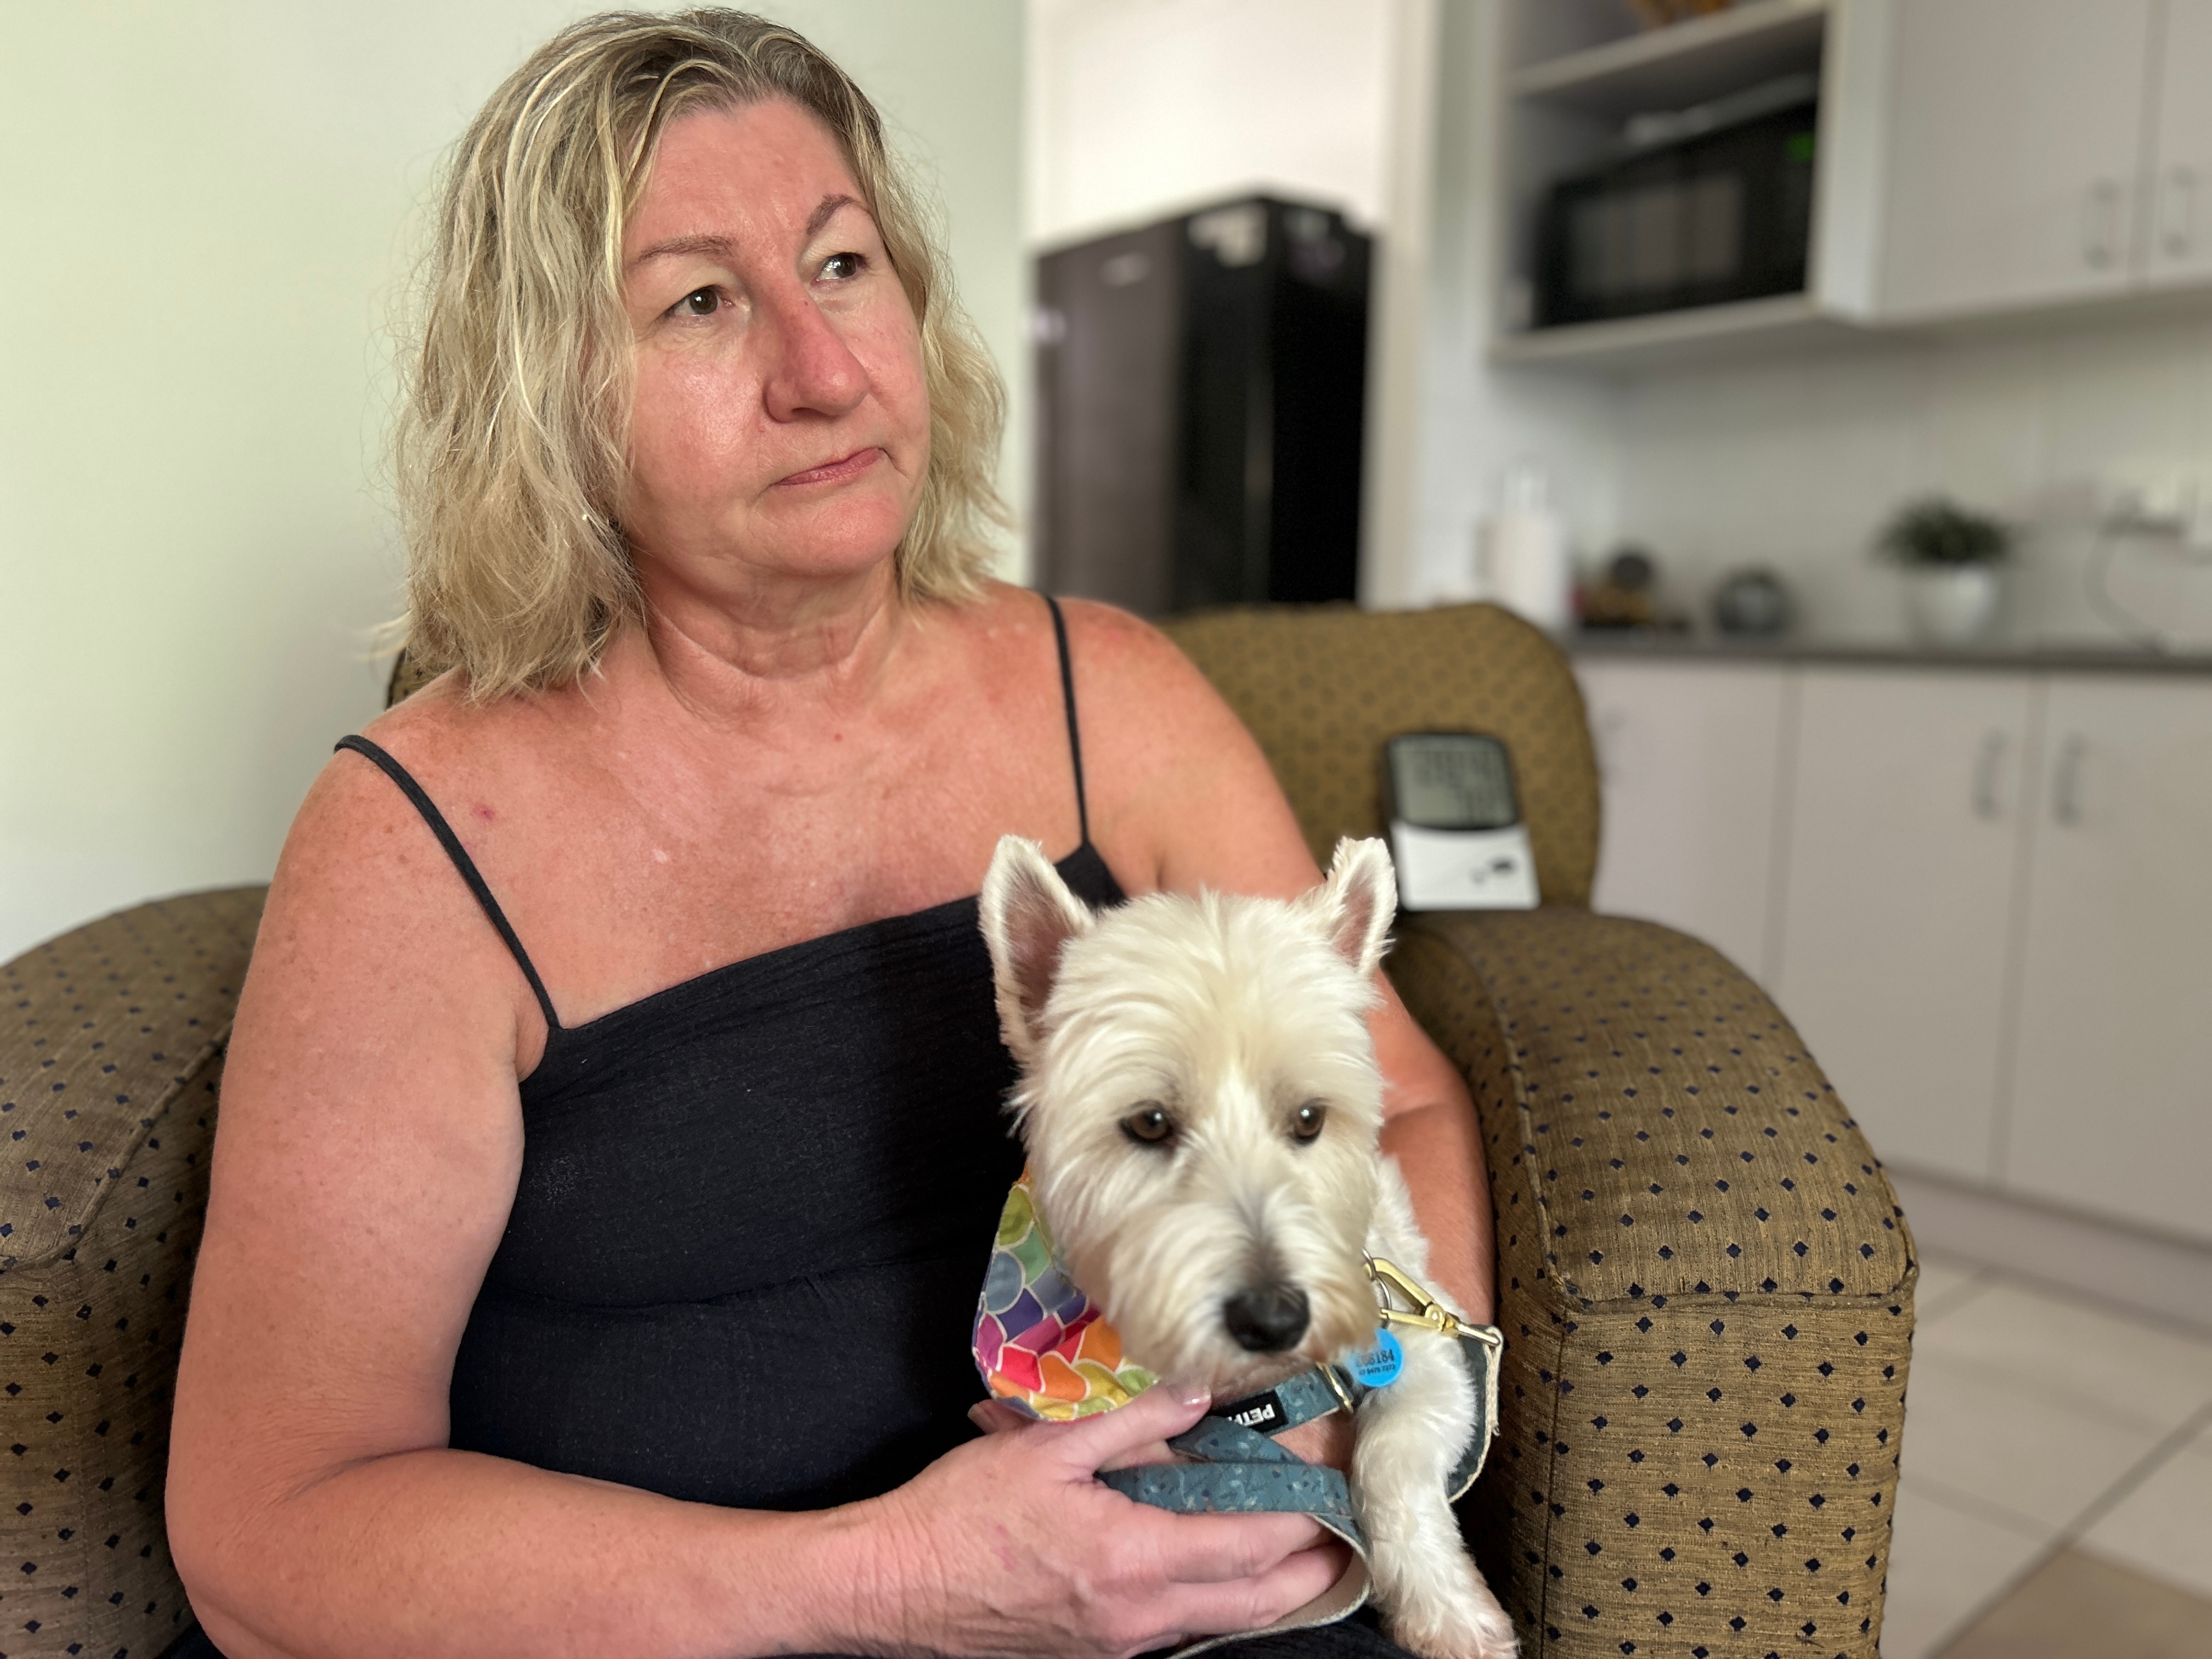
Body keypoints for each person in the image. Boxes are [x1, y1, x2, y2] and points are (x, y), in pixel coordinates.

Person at [165, 12, 1497, 1657]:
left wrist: (1334, 1423)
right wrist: (894, 1586)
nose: (826, 371)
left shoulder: (1117, 696)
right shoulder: (414, 842)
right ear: (551, 392)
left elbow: (1407, 1096)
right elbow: (264, 1530)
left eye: (846, 265)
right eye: (702, 301)